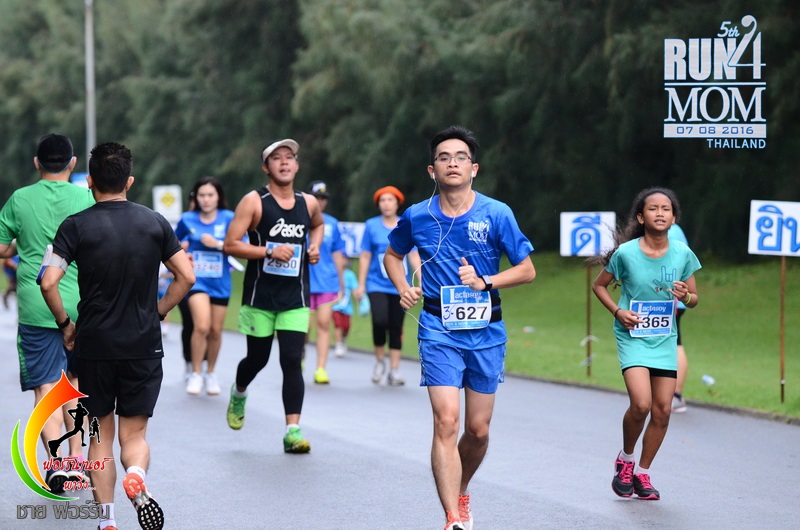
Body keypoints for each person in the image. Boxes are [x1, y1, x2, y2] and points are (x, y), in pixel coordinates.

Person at [384, 126, 536, 530]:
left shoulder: (497, 213)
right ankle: (452, 517)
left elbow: (527, 270)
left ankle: (461, 488)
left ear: (474, 168)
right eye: (444, 157)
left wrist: (486, 281)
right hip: (437, 328)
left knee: (478, 430)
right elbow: (392, 255)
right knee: (447, 421)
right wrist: (403, 287)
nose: (452, 163)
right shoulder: (417, 215)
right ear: (431, 170)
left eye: (461, 157)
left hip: (487, 331)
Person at [40, 142, 195, 530]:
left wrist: (66, 325)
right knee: (134, 434)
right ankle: (137, 474)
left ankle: (107, 520)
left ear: (90, 181)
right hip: (143, 344)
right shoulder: (155, 223)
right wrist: (159, 310)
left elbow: (48, 282)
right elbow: (187, 276)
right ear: (129, 181)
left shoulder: (74, 226)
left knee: (99, 436)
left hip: (94, 346)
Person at [591, 187, 700, 502]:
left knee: (662, 410)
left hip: (664, 338)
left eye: (666, 209)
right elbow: (599, 286)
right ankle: (625, 460)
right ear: (641, 217)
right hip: (633, 336)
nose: (660, 213)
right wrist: (618, 312)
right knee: (641, 404)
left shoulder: (682, 253)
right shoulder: (626, 254)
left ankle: (642, 472)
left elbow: (694, 299)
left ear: (673, 218)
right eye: (653, 208)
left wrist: (686, 296)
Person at [0, 133, 94, 493]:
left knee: (47, 385)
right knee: (76, 383)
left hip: (37, 305)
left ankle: (55, 465)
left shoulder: (20, 198)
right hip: (82, 304)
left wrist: (18, 246)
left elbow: (2, 247)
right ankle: (76, 460)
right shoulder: (86, 197)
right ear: (73, 163)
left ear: (37, 163)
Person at [222, 139, 323, 454]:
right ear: (266, 167)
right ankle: (239, 392)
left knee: (292, 360)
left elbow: (317, 225)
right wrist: (268, 251)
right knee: (258, 358)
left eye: (289, 157)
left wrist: (315, 247)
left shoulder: (309, 203)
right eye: (276, 158)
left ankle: (292, 431)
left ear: (297, 165)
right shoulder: (254, 202)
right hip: (260, 297)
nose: (284, 162)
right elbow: (230, 244)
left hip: (295, 297)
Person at [174, 177, 235, 396]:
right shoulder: (188, 219)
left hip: (220, 282)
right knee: (201, 326)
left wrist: (218, 244)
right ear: (196, 197)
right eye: (202, 195)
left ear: (218, 197)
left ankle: (211, 373)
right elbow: (171, 244)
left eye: (210, 195)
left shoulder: (229, 218)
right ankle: (196, 373)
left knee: (216, 331)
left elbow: (242, 245)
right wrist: (182, 253)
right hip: (197, 281)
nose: (206, 200)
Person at [355, 185, 421, 386]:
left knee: (396, 325)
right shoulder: (371, 225)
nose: (386, 204)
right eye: (382, 200)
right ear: (378, 205)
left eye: (390, 200)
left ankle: (394, 370)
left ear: (397, 203)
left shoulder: (405, 223)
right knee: (380, 320)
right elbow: (365, 255)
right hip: (376, 283)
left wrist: (421, 279)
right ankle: (379, 361)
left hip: (400, 285)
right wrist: (361, 284)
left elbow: (413, 255)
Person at [305, 180, 346, 383]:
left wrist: (341, 283)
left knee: (323, 324)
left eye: (323, 198)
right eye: (316, 198)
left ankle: (321, 369)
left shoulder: (332, 223)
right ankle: (300, 354)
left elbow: (338, 254)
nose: (320, 202)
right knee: (303, 328)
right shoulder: (298, 220)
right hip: (303, 281)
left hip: (326, 282)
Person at [668, 223, 691, 413]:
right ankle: (673, 394)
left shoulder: (667, 232)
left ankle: (675, 395)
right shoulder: (677, 230)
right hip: (677, 299)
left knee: (675, 344)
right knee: (675, 342)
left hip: (670, 299)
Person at [332, 259, 359, 357]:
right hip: (335, 306)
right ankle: (338, 344)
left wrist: (358, 297)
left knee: (346, 327)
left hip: (347, 307)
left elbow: (355, 288)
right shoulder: (333, 273)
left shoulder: (350, 275)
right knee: (338, 325)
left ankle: (342, 339)